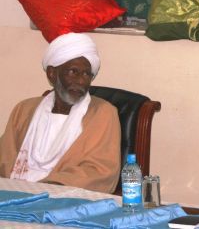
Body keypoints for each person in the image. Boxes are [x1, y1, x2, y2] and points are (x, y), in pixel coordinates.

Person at [0, 33, 121, 194]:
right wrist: (19, 189)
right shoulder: (24, 109)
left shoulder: (103, 113)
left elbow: (100, 172)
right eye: (73, 72)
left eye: (87, 74)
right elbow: (5, 158)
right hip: (14, 193)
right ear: (52, 73)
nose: (81, 81)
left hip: (65, 200)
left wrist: (44, 188)